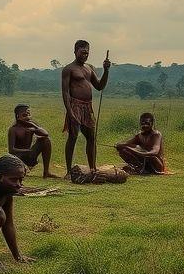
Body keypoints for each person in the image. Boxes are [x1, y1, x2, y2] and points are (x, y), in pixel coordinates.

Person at [61, 40, 110, 175]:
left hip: (87, 107)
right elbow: (65, 92)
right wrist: (70, 112)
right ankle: (69, 171)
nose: (85, 55)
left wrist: (106, 70)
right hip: (75, 105)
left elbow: (100, 86)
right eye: (82, 52)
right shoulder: (69, 69)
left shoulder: (89, 68)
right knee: (73, 137)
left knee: (91, 137)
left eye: (87, 53)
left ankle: (93, 168)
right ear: (75, 51)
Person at [7, 104, 58, 178]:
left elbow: (45, 134)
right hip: (19, 157)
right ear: (18, 116)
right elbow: (11, 150)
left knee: (46, 140)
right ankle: (23, 168)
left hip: (29, 155)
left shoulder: (31, 126)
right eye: (24, 115)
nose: (27, 117)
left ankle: (46, 172)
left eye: (29, 114)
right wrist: (27, 151)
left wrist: (34, 125)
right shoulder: (13, 129)